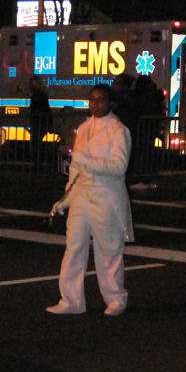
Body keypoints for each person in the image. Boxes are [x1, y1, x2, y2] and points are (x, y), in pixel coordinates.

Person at [47, 83, 134, 316]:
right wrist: (66, 198)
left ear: (110, 103)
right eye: (92, 100)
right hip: (83, 195)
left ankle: (116, 298)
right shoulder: (84, 127)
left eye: (100, 100)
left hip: (107, 197)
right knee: (74, 247)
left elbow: (118, 167)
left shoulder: (118, 130)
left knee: (109, 250)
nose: (95, 105)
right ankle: (71, 300)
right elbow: (75, 170)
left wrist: (85, 159)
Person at [28, 75, 52, 171]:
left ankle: (37, 165)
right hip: (41, 122)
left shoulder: (37, 96)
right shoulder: (43, 95)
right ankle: (38, 164)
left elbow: (37, 110)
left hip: (38, 123)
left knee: (35, 145)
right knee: (38, 145)